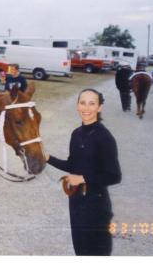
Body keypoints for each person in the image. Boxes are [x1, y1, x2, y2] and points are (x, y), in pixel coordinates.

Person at [45, 89, 122, 256]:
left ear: (99, 107)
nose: (86, 108)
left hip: (96, 204)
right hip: (76, 201)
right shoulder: (76, 134)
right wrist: (47, 157)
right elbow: (73, 165)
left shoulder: (104, 137)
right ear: (77, 105)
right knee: (80, 250)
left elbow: (114, 175)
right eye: (82, 102)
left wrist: (82, 178)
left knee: (96, 253)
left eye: (92, 103)